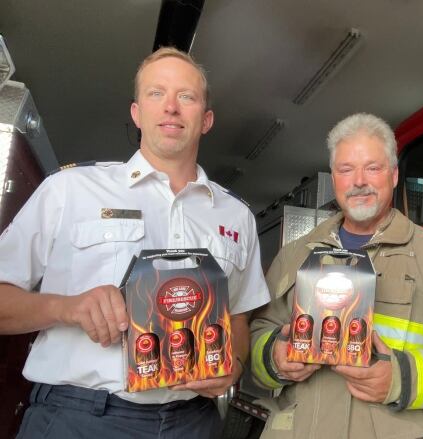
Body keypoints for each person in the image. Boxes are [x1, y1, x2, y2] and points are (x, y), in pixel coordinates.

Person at [0, 47, 269, 438]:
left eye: (187, 96)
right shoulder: (69, 190)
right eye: (156, 93)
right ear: (136, 112)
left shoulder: (236, 217)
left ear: (206, 120)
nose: (171, 107)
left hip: (193, 423)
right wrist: (66, 307)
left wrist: (237, 365)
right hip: (80, 419)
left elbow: (240, 316)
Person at [249, 113, 423, 438]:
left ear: (394, 175)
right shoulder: (295, 255)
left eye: (373, 168)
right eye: (346, 169)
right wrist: (274, 357)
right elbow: (258, 332)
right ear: (334, 177)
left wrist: (400, 378)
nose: (359, 181)